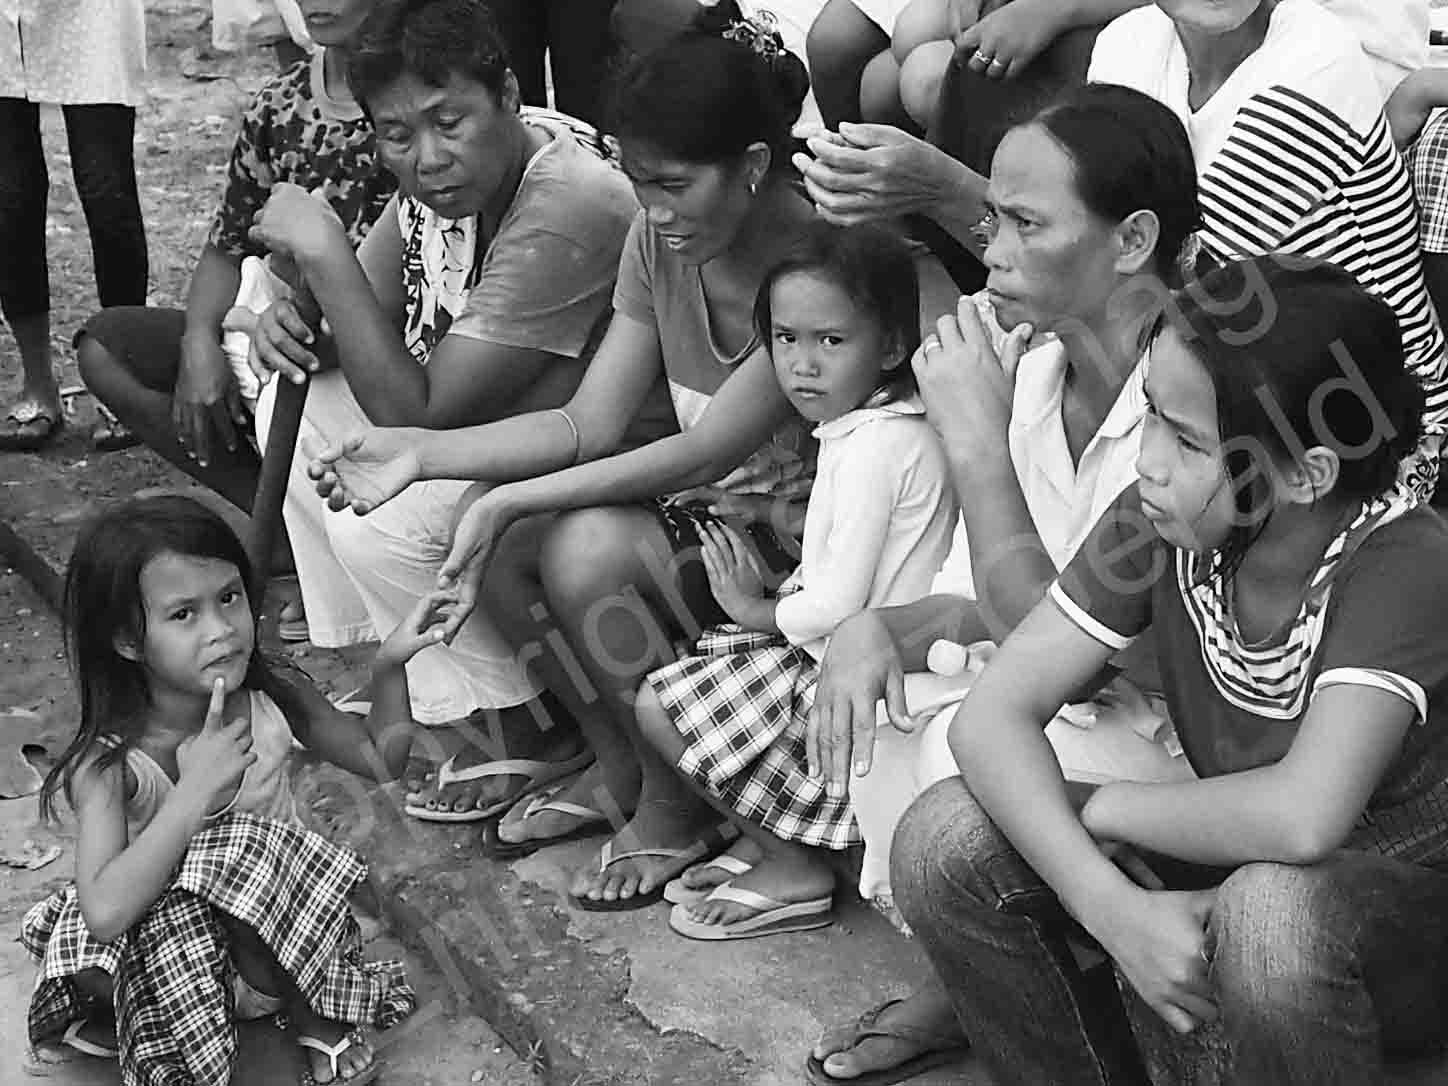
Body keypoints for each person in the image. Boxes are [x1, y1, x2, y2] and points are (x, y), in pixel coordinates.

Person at [309, 5, 950, 838]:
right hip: (712, 519)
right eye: (644, 187)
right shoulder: (657, 242)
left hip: (804, 546)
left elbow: (703, 449)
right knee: (503, 527)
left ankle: (682, 802)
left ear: (753, 166)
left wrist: (508, 498)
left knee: (578, 545)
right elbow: (588, 421)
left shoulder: (817, 266)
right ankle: (624, 766)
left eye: (677, 186)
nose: (656, 211)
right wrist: (422, 455)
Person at [893, 258, 1448, 1085]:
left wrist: (1098, 809)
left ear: (1306, 473)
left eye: (1187, 439)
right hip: (1237, 870)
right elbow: (991, 717)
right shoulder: (1165, 520)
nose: (1148, 460)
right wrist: (1112, 909)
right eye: (1152, 414)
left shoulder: (1404, 561)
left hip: (1398, 929)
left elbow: (1304, 818)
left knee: (1269, 913)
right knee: (945, 838)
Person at [795, 81, 1199, 1086]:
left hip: (1178, 742)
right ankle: (983, 979)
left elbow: (1086, 642)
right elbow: (977, 598)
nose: (993, 251)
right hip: (1059, 700)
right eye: (991, 223)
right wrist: (871, 631)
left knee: (953, 749)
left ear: (1131, 240)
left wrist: (971, 444)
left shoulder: (1196, 399)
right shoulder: (1029, 370)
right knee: (871, 708)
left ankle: (1058, 1011)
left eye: (1021, 223)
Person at [234, 0, 650, 785]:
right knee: (303, 405)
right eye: (398, 135)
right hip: (507, 426)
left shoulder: (569, 199)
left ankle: (522, 720)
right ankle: (434, 688)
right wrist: (282, 317)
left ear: (507, 94)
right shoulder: (446, 183)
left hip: (601, 446)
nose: (427, 158)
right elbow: (360, 316)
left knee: (374, 514)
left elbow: (417, 412)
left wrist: (324, 251)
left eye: (447, 121)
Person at [796, 0, 1448, 500]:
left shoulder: (1318, 64)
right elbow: (1099, 265)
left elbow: (1163, 289)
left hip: (1358, 430)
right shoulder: (1129, 43)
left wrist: (937, 185)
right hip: (1204, 377)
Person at [568, 221, 958, 925]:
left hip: (860, 668)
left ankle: (793, 864)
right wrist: (758, 510)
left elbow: (838, 602)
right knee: (710, 669)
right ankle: (767, 838)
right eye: (785, 339)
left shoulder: (872, 448)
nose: (802, 365)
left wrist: (754, 609)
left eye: (830, 342)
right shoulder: (879, 427)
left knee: (664, 705)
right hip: (853, 647)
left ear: (892, 346)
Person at [22, 495, 442, 1084]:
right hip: (179, 965)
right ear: (127, 641)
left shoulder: (274, 698)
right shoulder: (111, 762)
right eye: (184, 615)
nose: (221, 630)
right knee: (77, 935)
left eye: (229, 598)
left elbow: (381, 761)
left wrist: (390, 665)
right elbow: (106, 912)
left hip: (286, 948)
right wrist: (194, 791)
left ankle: (309, 1019)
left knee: (237, 850)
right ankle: (125, 1013)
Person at [77, 0, 394, 645]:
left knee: (315, 383)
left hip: (373, 360)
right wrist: (201, 343)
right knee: (107, 348)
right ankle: (277, 536)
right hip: (272, 340)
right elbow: (227, 246)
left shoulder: (420, 111)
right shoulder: (279, 106)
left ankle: (341, 561)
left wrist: (310, 331)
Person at [0, 0, 149, 450]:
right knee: (9, 196)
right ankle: (38, 383)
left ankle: (123, 381)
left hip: (93, 12)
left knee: (107, 190)